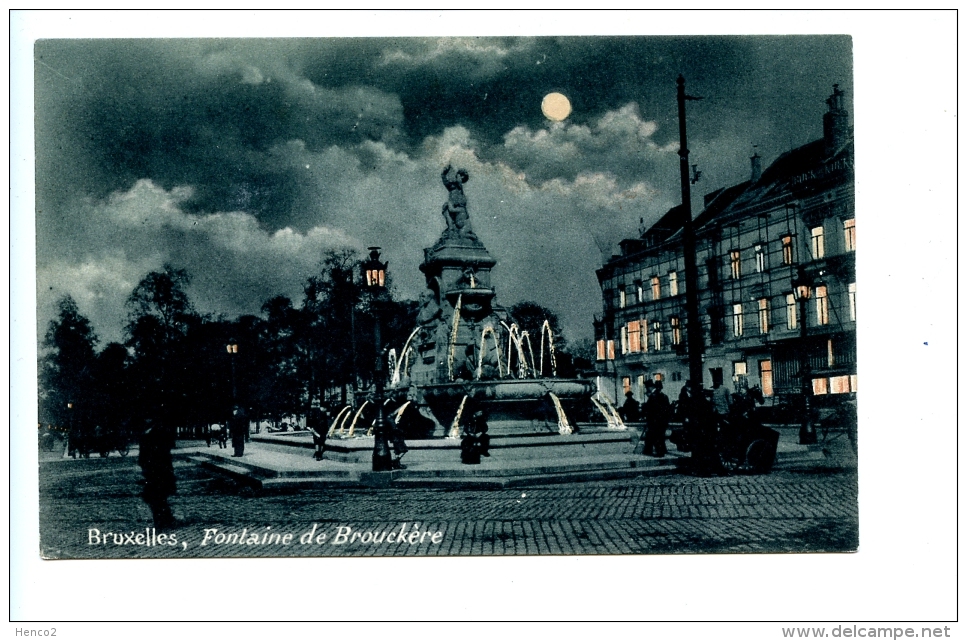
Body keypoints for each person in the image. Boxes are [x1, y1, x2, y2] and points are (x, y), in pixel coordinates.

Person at [138, 417, 176, 529]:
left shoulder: (158, 431)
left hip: (158, 469)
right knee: (157, 496)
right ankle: (164, 518)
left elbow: (164, 450)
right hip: (153, 469)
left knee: (157, 495)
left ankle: (163, 519)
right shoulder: (149, 431)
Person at [643, 381, 671, 457]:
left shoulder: (654, 395)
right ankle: (658, 450)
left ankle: (659, 452)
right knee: (658, 435)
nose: (646, 389)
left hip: (656, 420)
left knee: (656, 436)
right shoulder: (662, 395)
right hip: (662, 419)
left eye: (647, 387)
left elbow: (652, 409)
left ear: (650, 387)